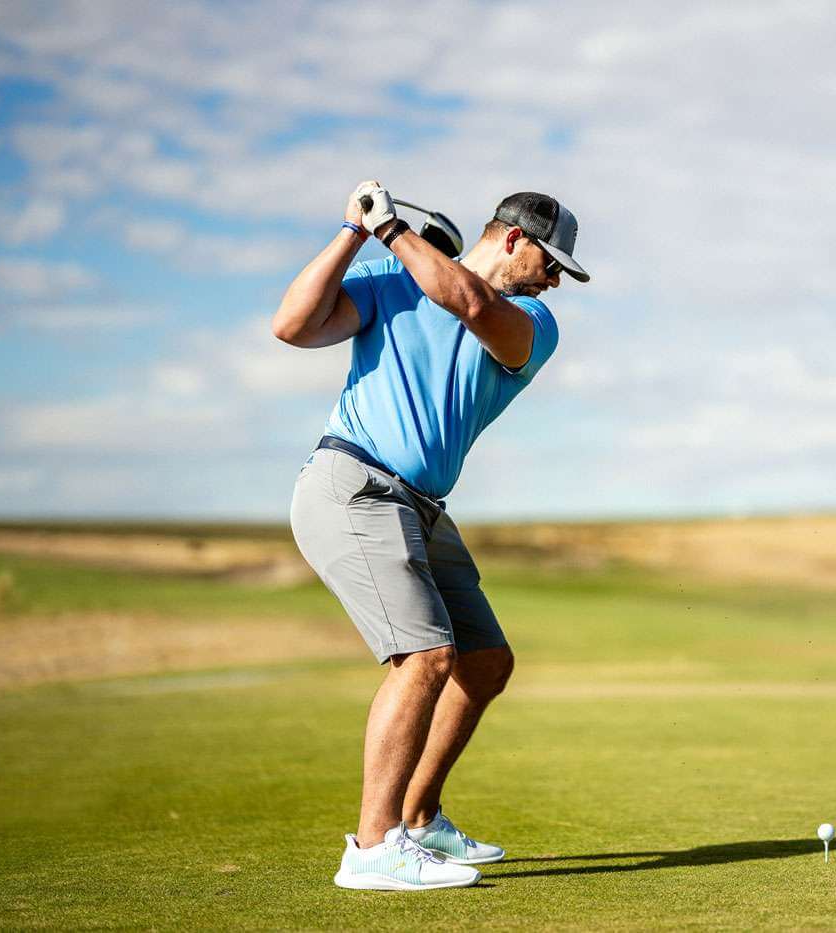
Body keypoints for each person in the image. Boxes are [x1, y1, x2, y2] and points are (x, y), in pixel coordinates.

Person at [273, 181, 590, 891]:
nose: (557, 281)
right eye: (553, 262)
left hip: (420, 506)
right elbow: (292, 326)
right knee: (424, 656)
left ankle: (417, 817)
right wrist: (356, 231)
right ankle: (373, 846)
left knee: (484, 661)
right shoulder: (390, 277)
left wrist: (394, 235)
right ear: (513, 237)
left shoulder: (532, 320)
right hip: (353, 483)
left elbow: (471, 303)